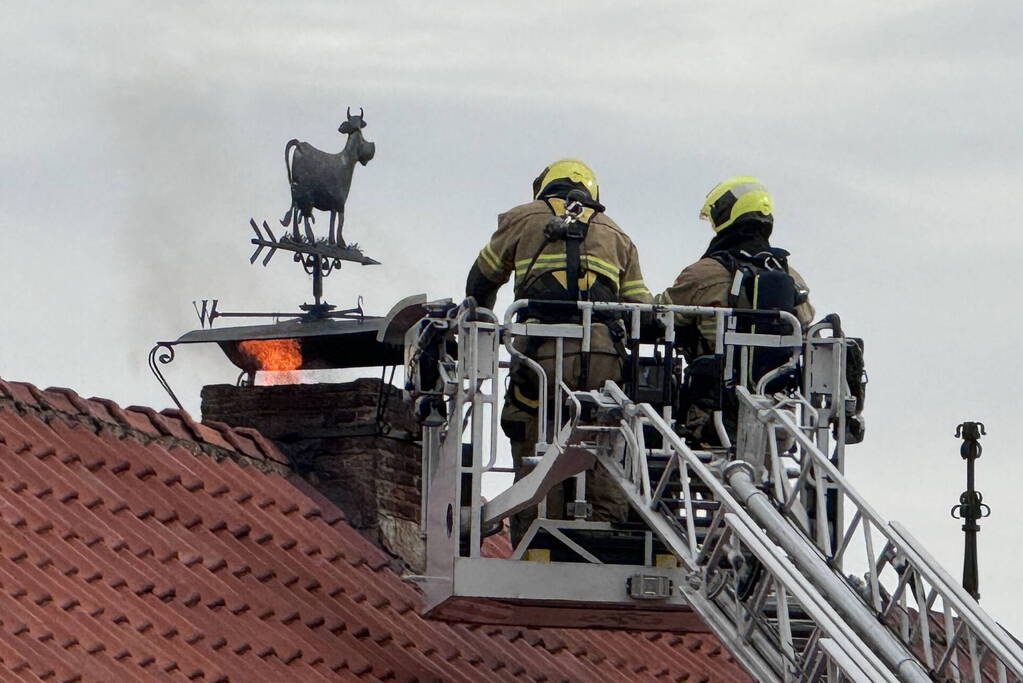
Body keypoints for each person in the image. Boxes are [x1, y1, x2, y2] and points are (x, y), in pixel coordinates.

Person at [466, 158, 652, 546]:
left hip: (541, 357)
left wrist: (480, 325)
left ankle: (539, 535)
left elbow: (480, 281)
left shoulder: (521, 217)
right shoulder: (618, 234)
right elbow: (641, 311)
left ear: (544, 186)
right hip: (604, 358)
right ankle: (605, 532)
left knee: (538, 435)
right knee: (603, 440)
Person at [658, 176, 815, 444]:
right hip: (778, 414)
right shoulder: (791, 277)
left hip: (711, 415)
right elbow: (806, 323)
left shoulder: (703, 273)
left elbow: (659, 316)